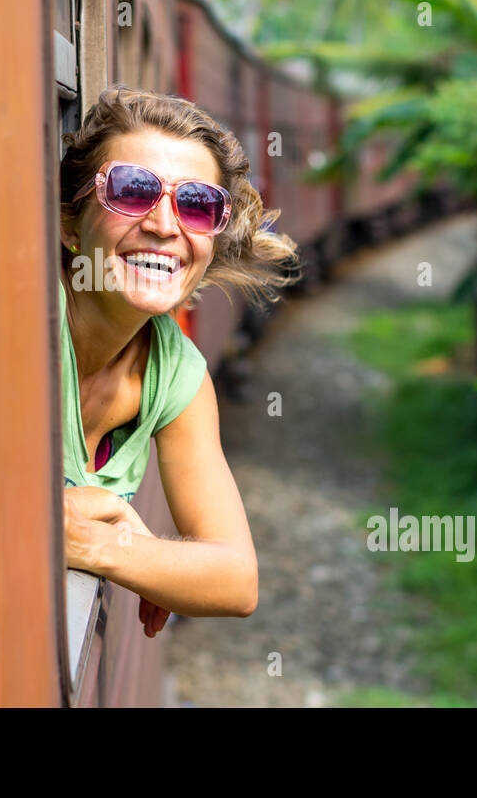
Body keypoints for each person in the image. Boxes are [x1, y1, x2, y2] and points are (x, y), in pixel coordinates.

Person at [58, 86, 299, 637]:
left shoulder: (176, 373)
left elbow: (237, 581)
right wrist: (144, 559)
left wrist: (108, 542)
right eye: (133, 192)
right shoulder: (22, 325)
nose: (167, 226)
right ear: (72, 223)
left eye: (196, 204)